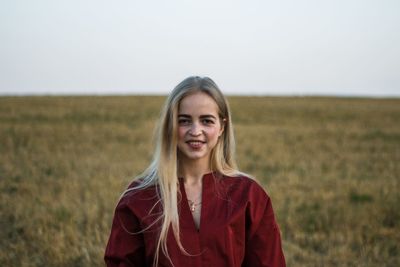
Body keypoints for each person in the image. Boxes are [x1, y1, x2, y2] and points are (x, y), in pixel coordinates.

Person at [104, 76, 286, 267]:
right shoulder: (139, 198)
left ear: (222, 126)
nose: (195, 130)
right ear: (170, 126)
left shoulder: (249, 196)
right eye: (184, 121)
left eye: (206, 121)